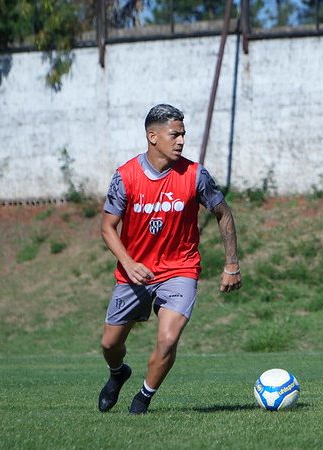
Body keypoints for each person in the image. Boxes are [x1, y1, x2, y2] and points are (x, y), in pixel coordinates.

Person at [97, 104, 241, 414]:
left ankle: (142, 400)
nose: (181, 141)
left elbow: (223, 212)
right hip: (135, 273)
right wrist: (128, 262)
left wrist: (231, 263)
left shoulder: (195, 175)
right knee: (110, 344)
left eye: (183, 134)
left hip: (181, 270)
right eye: (174, 134)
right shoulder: (125, 177)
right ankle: (118, 373)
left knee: (168, 338)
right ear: (153, 136)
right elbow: (107, 228)